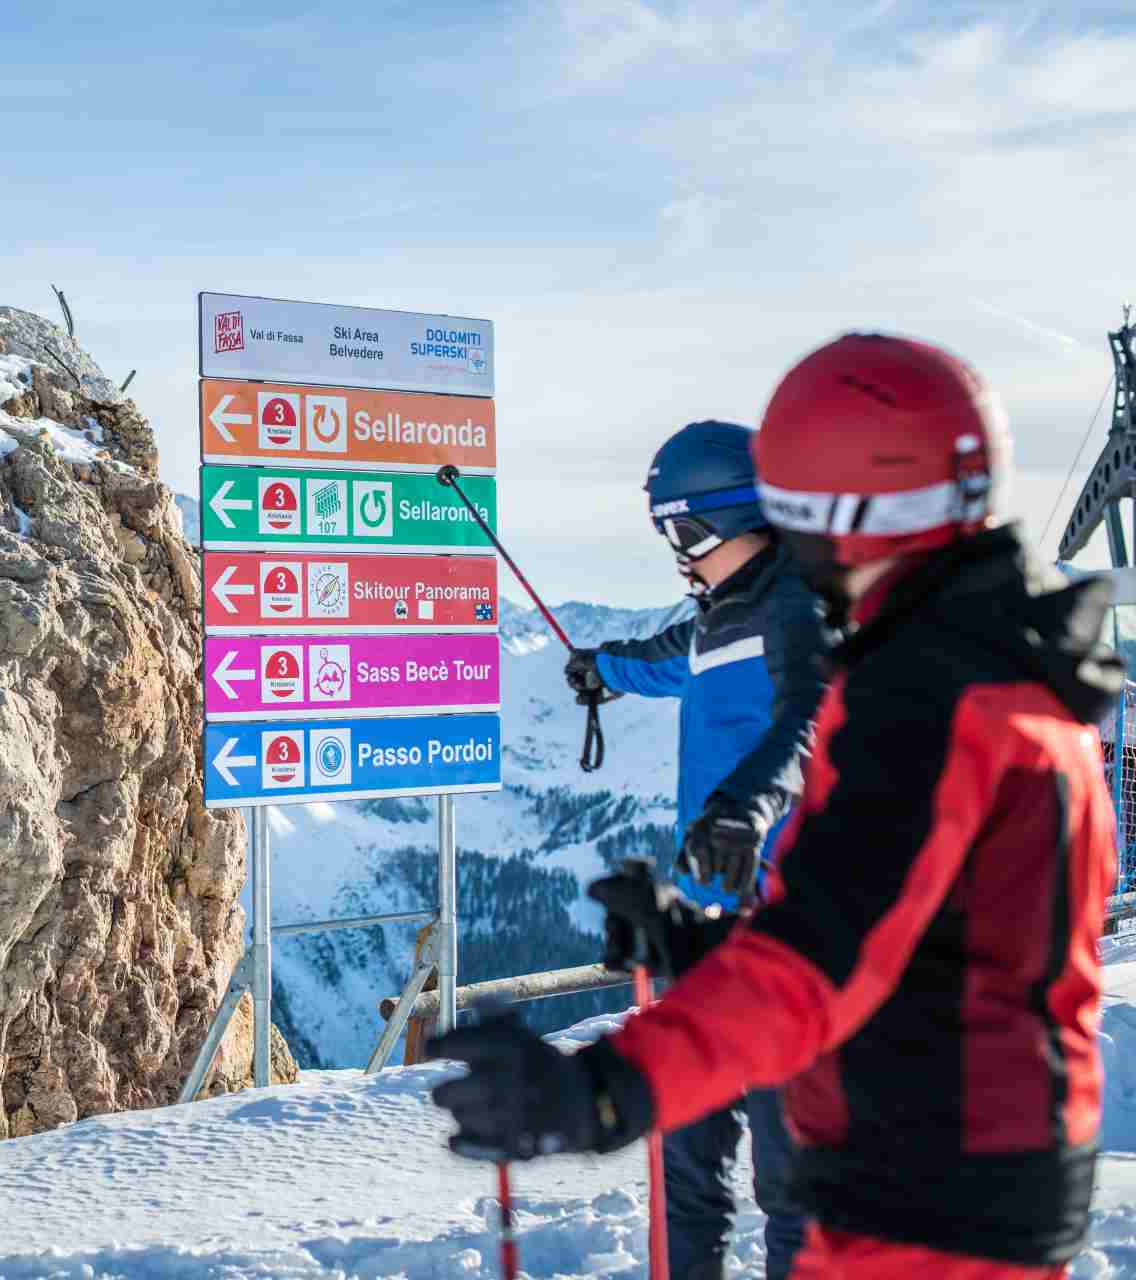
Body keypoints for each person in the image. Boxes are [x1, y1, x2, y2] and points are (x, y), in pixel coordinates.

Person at [433, 334, 1121, 1279]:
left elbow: (818, 965)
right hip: (962, 1181)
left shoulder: (928, 705)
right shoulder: (1013, 677)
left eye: (794, 516)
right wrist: (702, 951)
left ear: (843, 514)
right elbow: (930, 943)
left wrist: (599, 1093)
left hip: (921, 1216)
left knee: (759, 1174)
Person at [563, 419, 829, 1280]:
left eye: (680, 533)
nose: (676, 555)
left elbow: (809, 717)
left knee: (791, 1178)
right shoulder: (716, 618)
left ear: (724, 518)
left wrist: (745, 812)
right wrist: (602, 667)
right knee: (686, 1163)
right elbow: (659, 660)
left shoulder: (802, 607)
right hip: (705, 930)